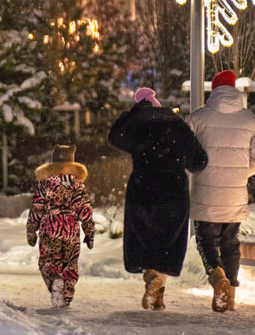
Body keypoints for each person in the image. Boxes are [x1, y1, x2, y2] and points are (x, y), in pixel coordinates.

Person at [108, 87, 207, 311]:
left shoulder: (137, 125)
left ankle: (152, 279)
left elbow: (114, 137)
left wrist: (132, 114)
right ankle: (158, 292)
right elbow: (199, 162)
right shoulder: (178, 125)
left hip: (143, 192)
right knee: (166, 246)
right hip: (173, 193)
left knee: (146, 243)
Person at [186, 69, 255, 312]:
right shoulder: (249, 120)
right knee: (231, 243)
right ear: (234, 90)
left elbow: (184, 151)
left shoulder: (198, 117)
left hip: (206, 194)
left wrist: (198, 170)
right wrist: (239, 173)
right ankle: (229, 294)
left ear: (214, 90)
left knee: (206, 242)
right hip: (235, 194)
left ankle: (217, 277)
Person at [26, 144, 95, 307]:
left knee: (49, 261)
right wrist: (89, 232)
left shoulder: (45, 184)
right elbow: (84, 209)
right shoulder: (78, 184)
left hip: (50, 226)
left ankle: (54, 281)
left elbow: (37, 208)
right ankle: (67, 295)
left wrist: (31, 230)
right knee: (70, 263)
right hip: (71, 228)